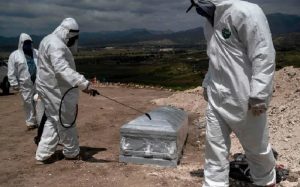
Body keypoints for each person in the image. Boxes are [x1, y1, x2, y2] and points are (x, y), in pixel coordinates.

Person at [187, 0, 276, 186]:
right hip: (217, 97)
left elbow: (263, 54)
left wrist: (260, 93)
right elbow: (215, 59)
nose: (199, 10)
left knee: (257, 150)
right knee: (214, 150)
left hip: (245, 99)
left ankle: (265, 181)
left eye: (199, 4)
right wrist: (207, 84)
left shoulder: (245, 12)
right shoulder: (209, 23)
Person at [35, 18, 97, 164]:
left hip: (51, 89)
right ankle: (71, 153)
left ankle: (43, 155)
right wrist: (84, 84)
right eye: (72, 38)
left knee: (53, 120)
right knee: (66, 122)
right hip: (57, 91)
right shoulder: (56, 45)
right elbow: (62, 68)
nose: (73, 41)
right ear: (67, 33)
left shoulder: (48, 40)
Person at [7, 33, 38, 130]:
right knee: (28, 102)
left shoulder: (37, 52)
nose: (28, 45)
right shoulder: (15, 55)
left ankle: (40, 120)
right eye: (26, 43)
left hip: (38, 82)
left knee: (39, 101)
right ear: (21, 43)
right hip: (25, 84)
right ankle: (30, 122)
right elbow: (11, 70)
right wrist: (14, 83)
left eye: (29, 43)